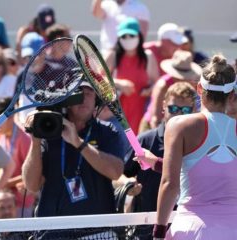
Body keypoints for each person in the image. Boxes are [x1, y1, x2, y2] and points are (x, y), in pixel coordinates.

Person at [152, 55, 237, 239]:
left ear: (199, 88)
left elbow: (169, 184)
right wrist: (155, 163)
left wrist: (158, 233)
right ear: (231, 94)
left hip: (191, 230)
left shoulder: (179, 125)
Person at [22, 81, 125, 218]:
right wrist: (36, 140)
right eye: (77, 93)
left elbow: (115, 172)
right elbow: (31, 185)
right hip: (53, 229)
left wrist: (78, 143)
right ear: (67, 100)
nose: (83, 98)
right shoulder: (49, 130)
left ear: (97, 100)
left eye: (88, 93)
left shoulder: (107, 131)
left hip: (98, 227)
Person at [122, 82, 197, 239]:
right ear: (164, 106)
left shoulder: (198, 144)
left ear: (194, 110)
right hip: (146, 229)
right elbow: (121, 175)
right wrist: (127, 185)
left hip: (185, 229)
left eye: (185, 110)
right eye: (173, 109)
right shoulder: (145, 140)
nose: (178, 115)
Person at [105, 17, 159, 133]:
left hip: (141, 112)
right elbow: (98, 80)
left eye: (131, 35)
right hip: (117, 113)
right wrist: (119, 83)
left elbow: (157, 83)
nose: (128, 39)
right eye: (124, 36)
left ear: (139, 36)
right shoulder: (112, 56)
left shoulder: (148, 57)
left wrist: (150, 90)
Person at [142, 50, 201, 131]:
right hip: (154, 126)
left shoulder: (191, 86)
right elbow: (155, 117)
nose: (182, 78)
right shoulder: (162, 85)